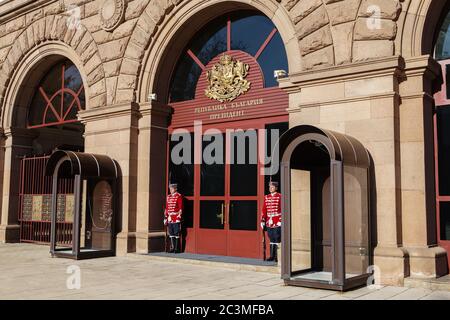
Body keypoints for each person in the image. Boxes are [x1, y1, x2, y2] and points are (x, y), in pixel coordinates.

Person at [260, 181, 282, 262]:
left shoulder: (280, 196)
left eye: (272, 187)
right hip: (269, 221)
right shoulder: (267, 197)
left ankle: (277, 256)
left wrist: (281, 219)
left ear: (276, 188)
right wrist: (262, 220)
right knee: (271, 237)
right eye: (269, 187)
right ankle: (272, 256)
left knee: (277, 237)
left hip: (277, 220)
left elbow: (282, 208)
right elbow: (264, 209)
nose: (270, 188)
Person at [164, 183, 183, 253]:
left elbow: (180, 207)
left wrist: (179, 216)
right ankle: (172, 247)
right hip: (169, 217)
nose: (170, 190)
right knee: (171, 232)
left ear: (175, 189)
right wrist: (165, 217)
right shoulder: (168, 197)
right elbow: (166, 208)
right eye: (170, 189)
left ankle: (177, 248)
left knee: (176, 232)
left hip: (176, 216)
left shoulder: (179, 196)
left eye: (171, 189)